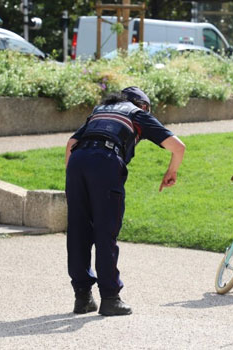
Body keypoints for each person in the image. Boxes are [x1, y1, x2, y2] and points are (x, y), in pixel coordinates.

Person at [64, 86, 185, 316]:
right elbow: (178, 147)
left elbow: (71, 144)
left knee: (78, 230)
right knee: (105, 231)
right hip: (105, 161)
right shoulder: (137, 114)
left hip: (78, 162)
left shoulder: (100, 110)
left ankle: (83, 298)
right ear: (143, 105)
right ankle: (110, 299)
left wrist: (74, 181)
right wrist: (172, 172)